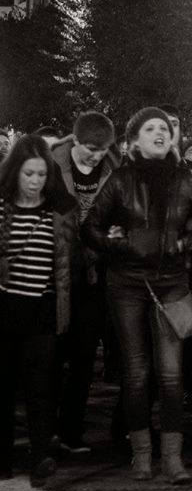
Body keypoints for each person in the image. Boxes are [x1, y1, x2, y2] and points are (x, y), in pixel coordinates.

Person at [82, 107, 192, 484]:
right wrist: (120, 245)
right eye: (149, 128)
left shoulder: (185, 178)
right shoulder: (121, 179)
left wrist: (184, 242)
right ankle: (142, 455)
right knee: (137, 373)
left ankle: (172, 459)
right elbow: (91, 227)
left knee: (171, 375)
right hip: (126, 287)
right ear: (134, 140)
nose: (159, 133)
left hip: (171, 285)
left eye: (164, 128)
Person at [0, 135, 77, 487]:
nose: (34, 182)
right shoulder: (2, 207)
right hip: (4, 309)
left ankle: (40, 457)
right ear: (14, 172)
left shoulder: (57, 211)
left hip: (42, 310)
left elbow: (65, 262)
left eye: (41, 175)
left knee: (40, 387)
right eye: (28, 174)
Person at [50, 112, 118, 454]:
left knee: (84, 355)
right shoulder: (51, 165)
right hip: (55, 272)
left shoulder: (113, 168)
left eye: (103, 149)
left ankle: (70, 431)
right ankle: (44, 431)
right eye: (91, 148)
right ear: (75, 141)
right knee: (51, 355)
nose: (96, 155)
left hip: (94, 273)